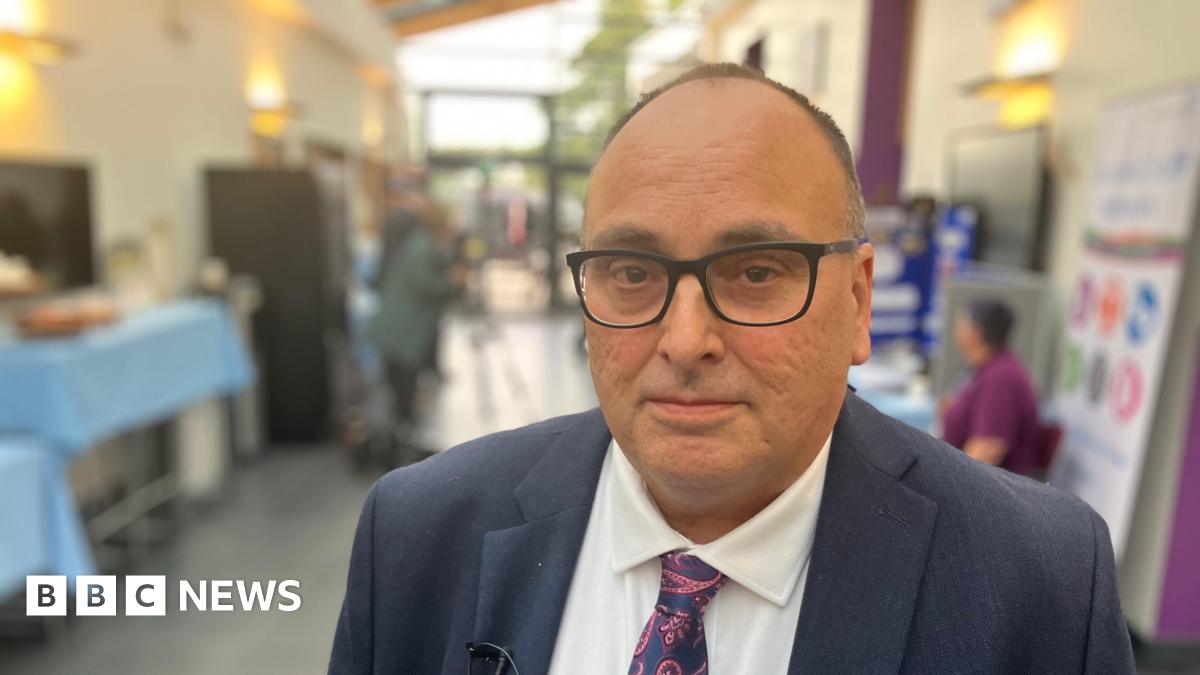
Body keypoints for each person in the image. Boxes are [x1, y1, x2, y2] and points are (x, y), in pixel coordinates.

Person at [330, 63, 1133, 673]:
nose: (685, 340)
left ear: (857, 300)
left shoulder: (1041, 586)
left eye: (754, 272)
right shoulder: (419, 535)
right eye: (632, 272)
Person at [367, 199, 465, 460]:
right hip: (402, 330)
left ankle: (399, 439)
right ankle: (397, 443)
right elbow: (424, 283)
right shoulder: (422, 245)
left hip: (399, 329)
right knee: (401, 387)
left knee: (400, 385)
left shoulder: (418, 243)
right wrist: (453, 282)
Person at [941, 299, 1044, 474]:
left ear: (976, 332)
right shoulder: (986, 368)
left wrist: (943, 481)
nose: (956, 329)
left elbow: (988, 449)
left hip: (990, 489)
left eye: (962, 323)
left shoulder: (1000, 378)